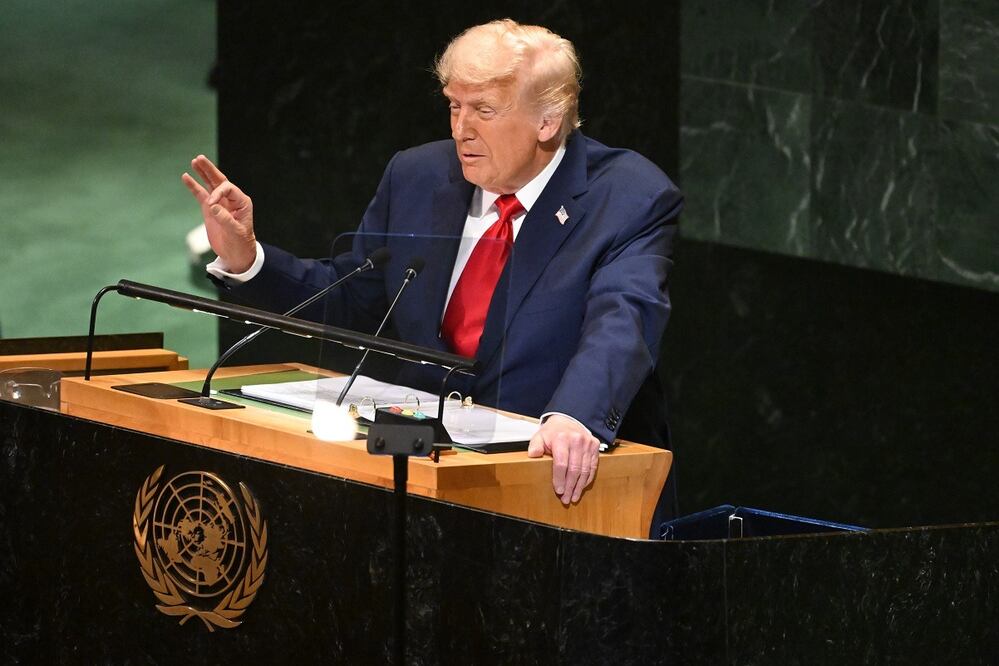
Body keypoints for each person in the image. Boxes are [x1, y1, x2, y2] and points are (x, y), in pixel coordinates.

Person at [182, 19, 682, 512]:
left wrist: (574, 416)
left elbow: (623, 320)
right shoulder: (419, 175)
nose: (461, 129)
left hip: (549, 486)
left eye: (483, 110)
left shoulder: (627, 196)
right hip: (416, 477)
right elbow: (354, 297)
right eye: (453, 105)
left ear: (547, 122)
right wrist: (246, 257)